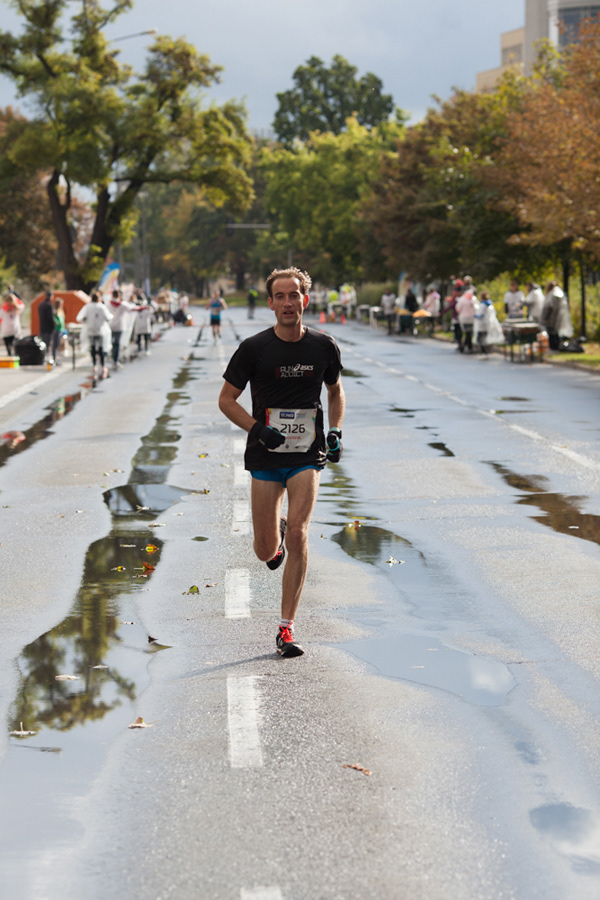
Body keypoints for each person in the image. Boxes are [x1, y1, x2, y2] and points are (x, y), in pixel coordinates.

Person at [218, 266, 345, 658]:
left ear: (305, 300)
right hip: (266, 453)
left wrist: (335, 431)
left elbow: (335, 393)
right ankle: (276, 539)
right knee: (264, 549)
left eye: (295, 295)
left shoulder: (324, 346)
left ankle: (286, 629)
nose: (289, 303)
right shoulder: (254, 348)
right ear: (271, 303)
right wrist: (258, 430)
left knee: (300, 535)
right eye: (281, 297)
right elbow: (226, 400)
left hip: (307, 454)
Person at [76, 291, 113, 378]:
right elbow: (108, 317)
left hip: (90, 330)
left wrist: (87, 321)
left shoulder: (87, 307)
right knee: (101, 348)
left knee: (92, 348)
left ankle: (94, 365)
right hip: (101, 330)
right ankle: (103, 365)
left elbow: (80, 318)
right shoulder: (102, 307)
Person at [542, 281, 573, 350]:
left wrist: (545, 318)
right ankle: (556, 347)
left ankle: (554, 347)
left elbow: (549, 307)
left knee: (553, 334)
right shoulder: (558, 293)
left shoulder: (553, 294)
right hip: (558, 317)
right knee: (555, 333)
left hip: (553, 318)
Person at [108, 288, 135, 368]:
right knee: (116, 344)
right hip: (119, 327)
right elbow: (132, 309)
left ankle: (112, 358)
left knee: (111, 343)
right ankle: (115, 360)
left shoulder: (108, 304)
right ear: (119, 295)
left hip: (110, 326)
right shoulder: (122, 304)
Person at [455, 277, 479, 353]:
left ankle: (465, 346)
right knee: (469, 333)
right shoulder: (473, 299)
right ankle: (468, 347)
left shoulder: (463, 299)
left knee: (468, 333)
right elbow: (477, 308)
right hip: (471, 318)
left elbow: (458, 308)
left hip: (464, 318)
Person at [38, 290, 55, 362]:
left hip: (42, 326)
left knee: (43, 343)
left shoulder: (41, 304)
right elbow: (50, 317)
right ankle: (46, 358)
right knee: (47, 344)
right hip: (48, 328)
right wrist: (53, 326)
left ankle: (43, 357)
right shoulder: (49, 305)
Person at [51, 298, 66, 365]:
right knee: (55, 345)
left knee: (58, 344)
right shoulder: (55, 311)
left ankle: (56, 357)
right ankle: (54, 357)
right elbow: (54, 320)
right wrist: (57, 323)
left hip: (61, 330)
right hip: (56, 330)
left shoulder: (61, 311)